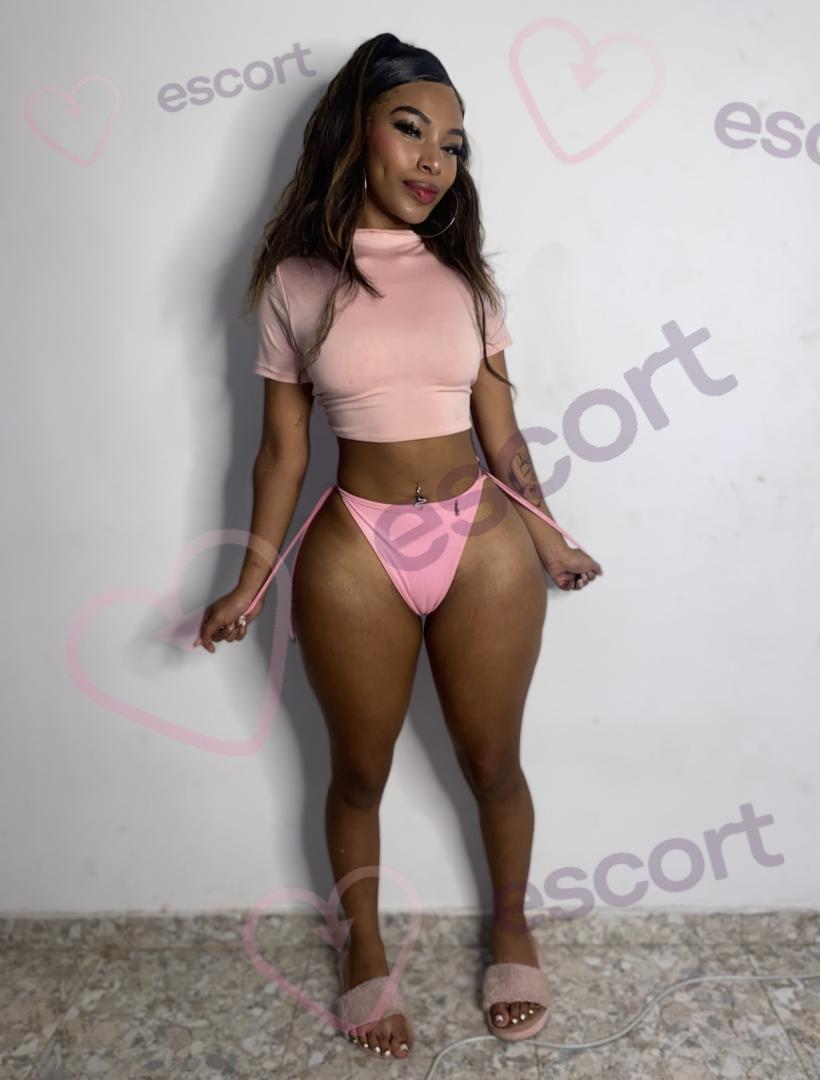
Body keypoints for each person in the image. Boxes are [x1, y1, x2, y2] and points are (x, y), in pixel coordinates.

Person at [196, 32, 603, 1062]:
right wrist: (248, 581)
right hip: (353, 554)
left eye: (453, 144)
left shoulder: (468, 280)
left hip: (482, 539)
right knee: (357, 776)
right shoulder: (297, 283)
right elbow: (281, 452)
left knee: (493, 762)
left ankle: (511, 927)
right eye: (411, 129)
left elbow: (502, 433)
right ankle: (364, 950)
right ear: (355, 133)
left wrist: (549, 533)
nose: (434, 159)